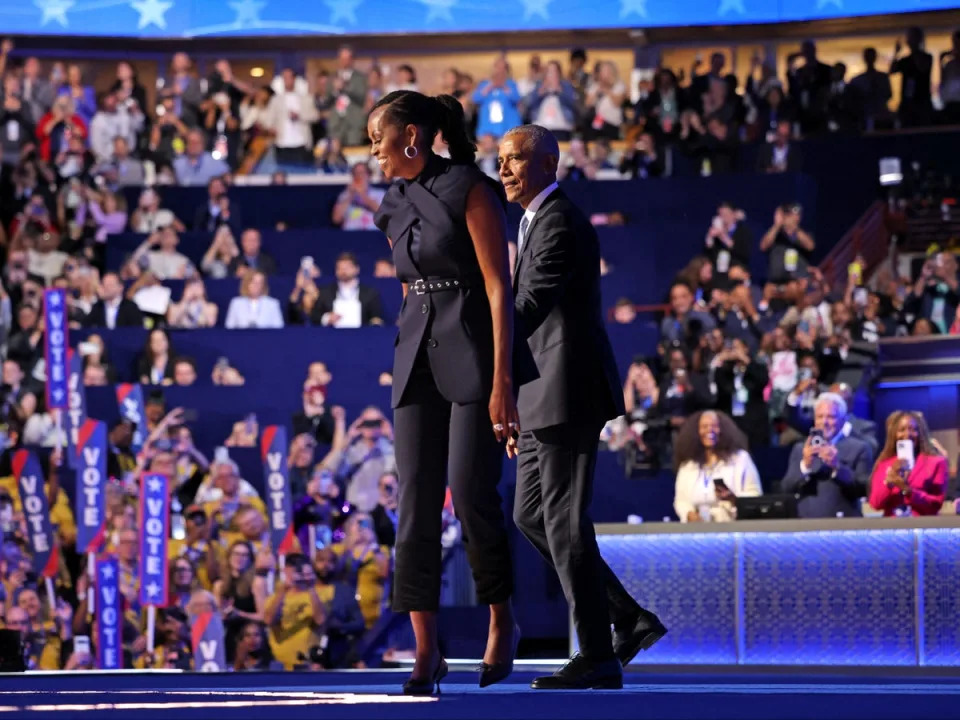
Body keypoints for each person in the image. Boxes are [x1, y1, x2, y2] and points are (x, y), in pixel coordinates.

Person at [369, 90, 527, 694]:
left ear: (411, 136)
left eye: (378, 139)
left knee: (469, 490)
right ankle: (426, 651)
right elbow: (410, 286)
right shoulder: (392, 201)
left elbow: (497, 286)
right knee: (414, 504)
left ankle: (501, 617)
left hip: (473, 350)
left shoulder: (472, 188)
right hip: (414, 358)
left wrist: (503, 379)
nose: (373, 153)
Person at [499, 125, 665, 691]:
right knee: (529, 515)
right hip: (539, 391)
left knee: (565, 522)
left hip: (567, 389)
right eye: (500, 160)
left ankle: (596, 654)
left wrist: (473, 331)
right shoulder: (530, 221)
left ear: (549, 163)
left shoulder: (561, 220)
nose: (504, 169)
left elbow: (527, 305)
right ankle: (629, 619)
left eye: (516, 158)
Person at [781, 393, 873, 518]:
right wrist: (805, 466)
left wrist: (837, 468)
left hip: (844, 526)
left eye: (831, 417)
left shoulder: (859, 448)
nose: (824, 422)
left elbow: (864, 489)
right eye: (820, 416)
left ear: (843, 420)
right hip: (806, 526)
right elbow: (786, 488)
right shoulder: (801, 449)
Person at [673, 410, 762, 522]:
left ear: (723, 430)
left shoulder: (740, 459)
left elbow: (754, 495)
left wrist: (733, 500)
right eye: (704, 426)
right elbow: (681, 501)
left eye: (714, 426)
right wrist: (688, 515)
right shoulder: (688, 466)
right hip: (696, 530)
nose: (709, 430)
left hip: (731, 527)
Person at [868, 411, 947, 517]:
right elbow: (875, 504)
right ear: (894, 434)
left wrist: (908, 490)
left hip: (923, 528)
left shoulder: (936, 463)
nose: (907, 434)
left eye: (913, 429)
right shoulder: (884, 464)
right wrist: (889, 482)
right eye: (901, 430)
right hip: (892, 529)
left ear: (921, 433)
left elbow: (936, 504)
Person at [264, 553, 327, 671]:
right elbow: (269, 620)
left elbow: (320, 620)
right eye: (296, 570)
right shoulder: (274, 597)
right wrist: (283, 589)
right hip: (280, 664)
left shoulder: (317, 596)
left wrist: (311, 587)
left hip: (307, 663)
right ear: (286, 570)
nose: (300, 574)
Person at [310, 252, 384, 328]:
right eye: (340, 268)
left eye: (347, 268)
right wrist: (327, 318)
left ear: (357, 269)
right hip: (331, 335)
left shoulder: (370, 293)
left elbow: (376, 317)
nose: (343, 271)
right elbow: (314, 316)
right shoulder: (325, 292)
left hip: (361, 336)